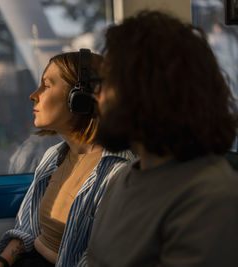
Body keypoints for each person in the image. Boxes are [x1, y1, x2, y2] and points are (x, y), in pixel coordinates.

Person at [88, 11, 238, 267]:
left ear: (146, 91)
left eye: (106, 81)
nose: (96, 95)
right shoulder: (123, 178)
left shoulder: (210, 198)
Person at [0, 50, 135, 267]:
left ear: (81, 98)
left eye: (46, 86)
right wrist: (2, 262)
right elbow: (27, 226)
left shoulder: (120, 173)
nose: (33, 95)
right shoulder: (53, 156)